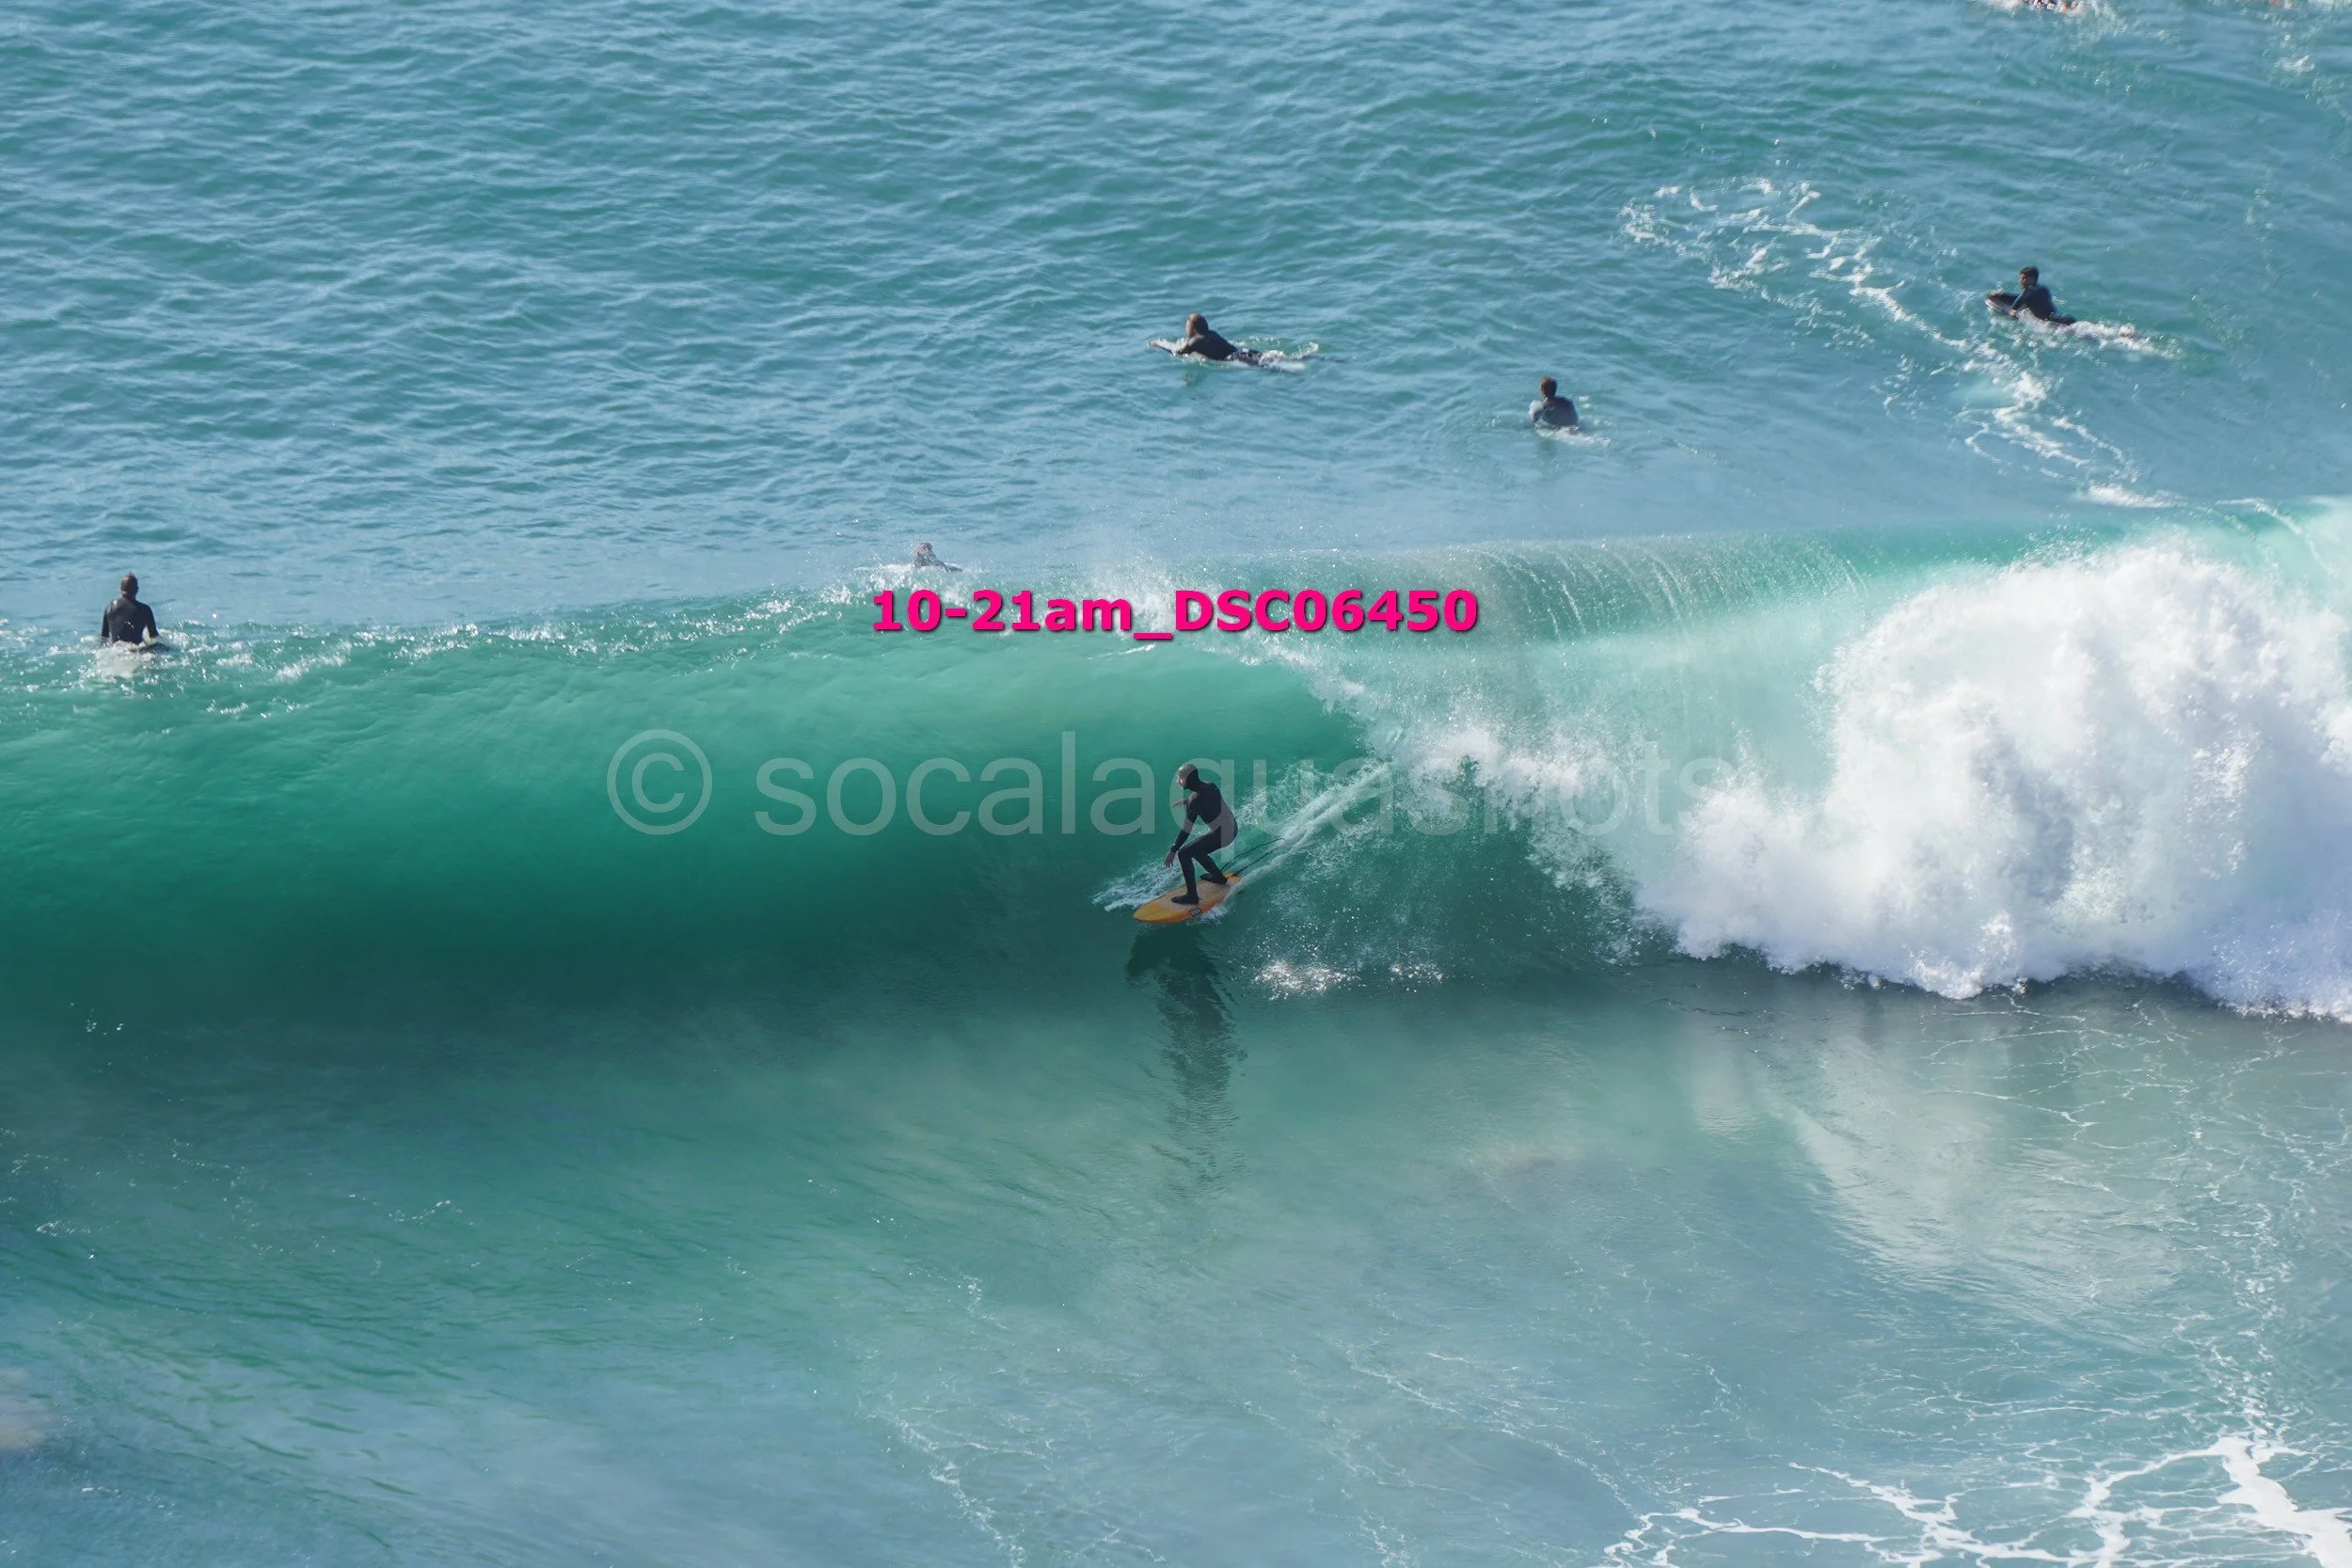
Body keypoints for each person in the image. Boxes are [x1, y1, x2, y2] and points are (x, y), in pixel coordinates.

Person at [1163, 762, 1235, 907]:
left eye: (1180, 778)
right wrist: (1186, 801)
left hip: (1223, 835)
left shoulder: (1194, 801)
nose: (1178, 781)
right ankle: (1218, 877)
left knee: (1184, 853)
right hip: (1232, 828)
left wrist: (1173, 849)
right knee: (1196, 850)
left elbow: (1186, 830)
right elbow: (1205, 799)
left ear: (1187, 779)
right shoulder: (1210, 784)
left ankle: (1192, 896)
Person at [1987, 266, 2075, 325]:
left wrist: (2013, 310)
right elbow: (2025, 298)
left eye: (2023, 278)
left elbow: (2021, 299)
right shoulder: (2043, 288)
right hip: (2064, 318)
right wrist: (2003, 295)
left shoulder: (2029, 291)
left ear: (2032, 279)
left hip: (2054, 324)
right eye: (2020, 278)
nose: (2020, 281)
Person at [1169, 313, 1261, 366]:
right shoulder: (1212, 333)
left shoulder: (1194, 341)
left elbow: (1178, 353)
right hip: (1243, 352)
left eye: (1187, 326)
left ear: (1192, 327)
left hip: (1235, 359)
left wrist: (1159, 344)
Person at [100, 574, 159, 646]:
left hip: (115, 651)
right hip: (137, 652)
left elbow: (104, 638)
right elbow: (154, 638)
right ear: (137, 590)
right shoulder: (144, 609)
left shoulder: (110, 607)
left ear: (121, 589)